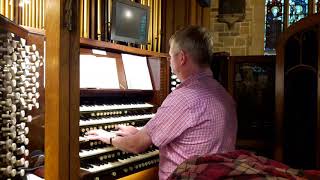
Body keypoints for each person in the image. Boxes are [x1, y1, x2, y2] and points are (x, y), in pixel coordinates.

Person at [86, 26, 237, 180]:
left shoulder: (183, 98)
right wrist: (140, 131)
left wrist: (108, 137)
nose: (170, 62)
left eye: (171, 56)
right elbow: (188, 132)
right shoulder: (224, 95)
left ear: (182, 58)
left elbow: (135, 145)